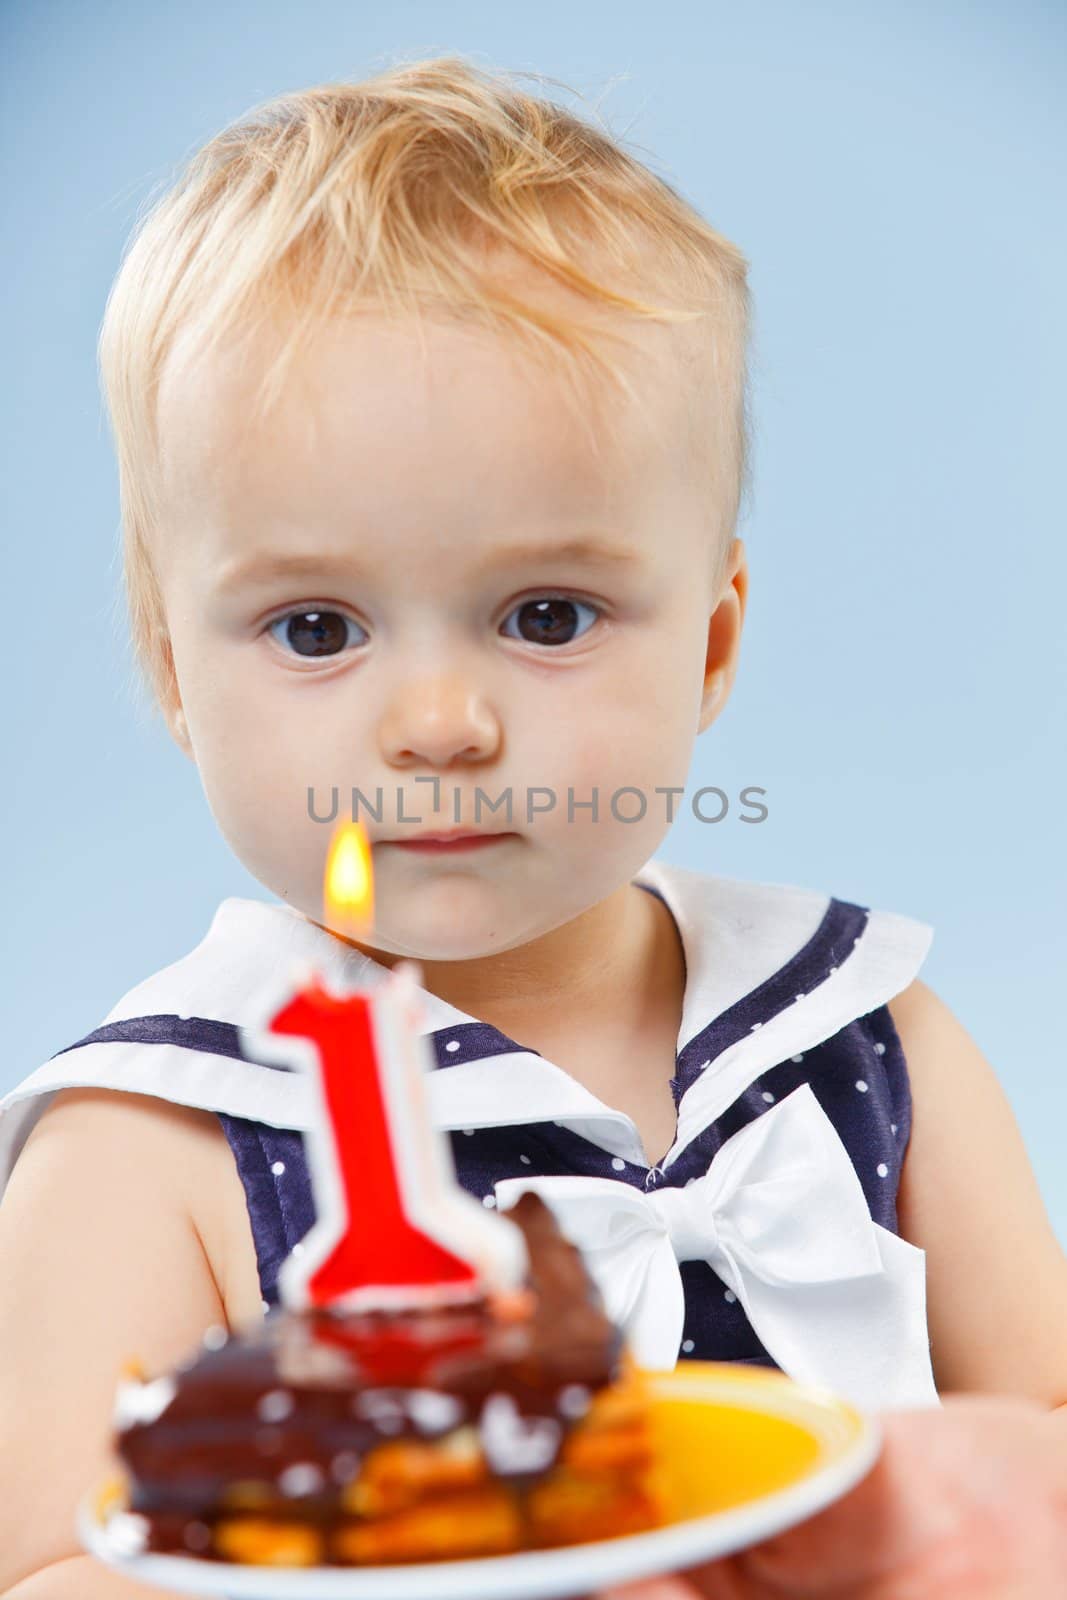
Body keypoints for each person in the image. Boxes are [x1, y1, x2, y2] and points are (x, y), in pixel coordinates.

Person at [1, 52, 1064, 1599]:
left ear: (708, 647)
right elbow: (42, 1571)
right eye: (314, 629)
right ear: (174, 670)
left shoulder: (862, 1030)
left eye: (544, 613)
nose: (437, 724)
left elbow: (1044, 1429)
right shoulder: (162, 1134)